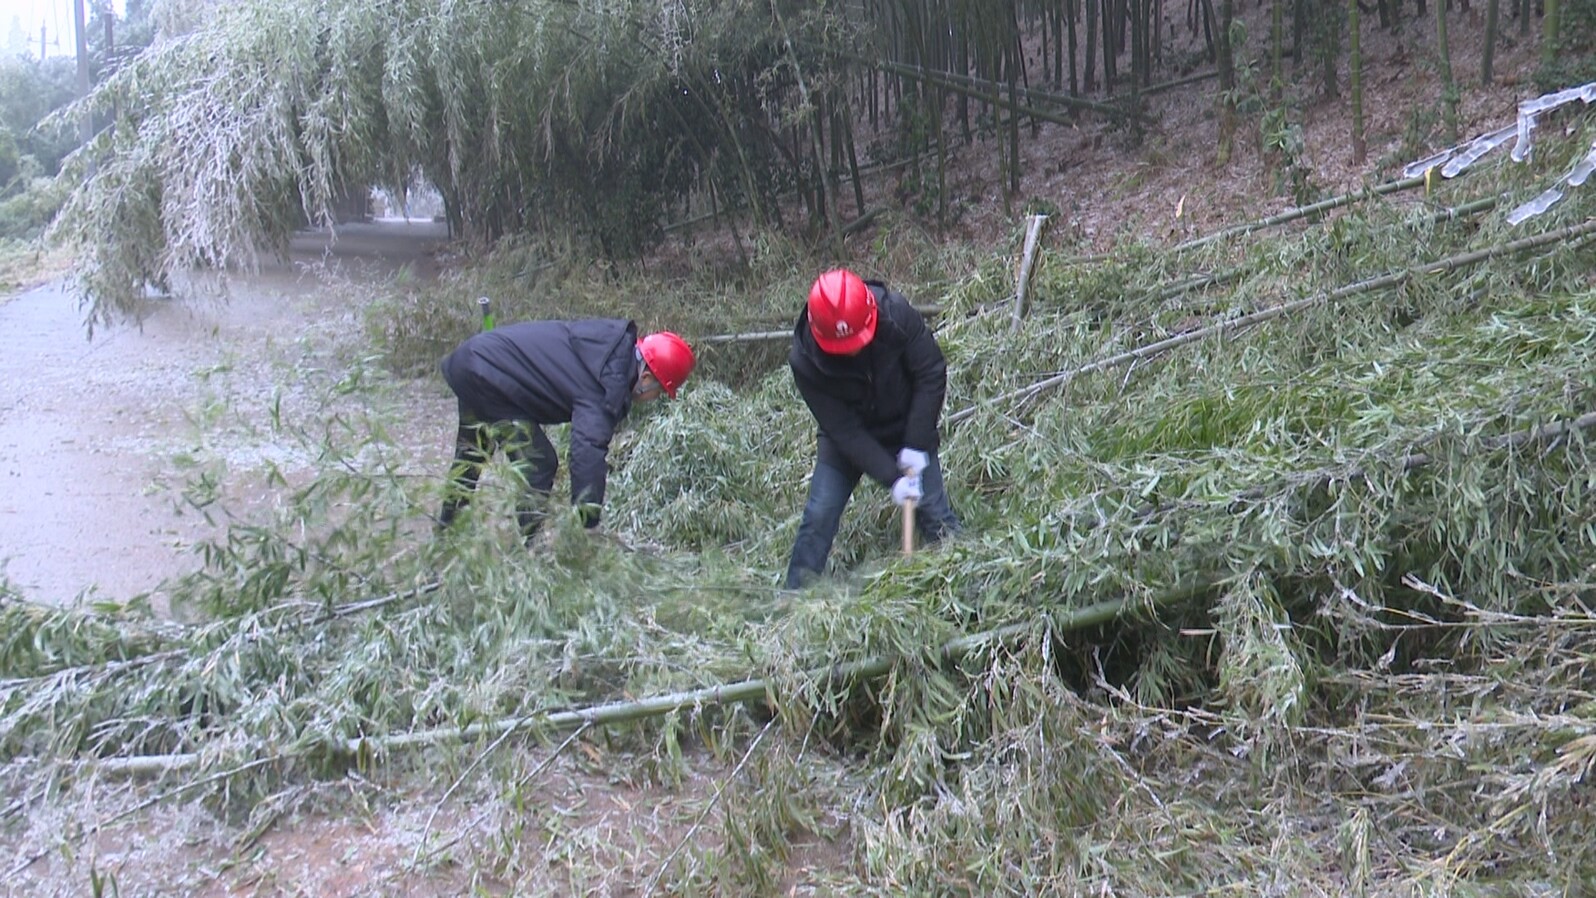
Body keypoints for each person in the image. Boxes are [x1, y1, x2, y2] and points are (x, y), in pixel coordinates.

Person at [437, 319, 694, 541]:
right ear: (647, 379)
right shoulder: (606, 386)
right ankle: (528, 552)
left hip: (477, 360)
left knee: (471, 455)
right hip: (487, 376)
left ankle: (447, 533)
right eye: (659, 392)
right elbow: (587, 452)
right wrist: (588, 523)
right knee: (539, 464)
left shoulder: (607, 349)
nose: (654, 398)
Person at [784, 269, 961, 588]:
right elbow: (843, 429)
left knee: (935, 512)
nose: (853, 351)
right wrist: (892, 478)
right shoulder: (804, 360)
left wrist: (917, 444)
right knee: (819, 514)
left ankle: (965, 583)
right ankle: (793, 602)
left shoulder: (896, 315)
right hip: (847, 443)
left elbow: (931, 373)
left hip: (908, 425)